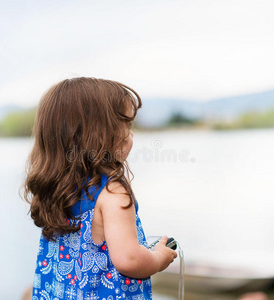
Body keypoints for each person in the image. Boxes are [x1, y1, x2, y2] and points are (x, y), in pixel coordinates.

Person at [22, 77, 177, 300]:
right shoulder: (113, 193)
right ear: (99, 135)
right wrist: (159, 258)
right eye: (126, 125)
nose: (131, 134)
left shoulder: (58, 190)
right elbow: (129, 260)